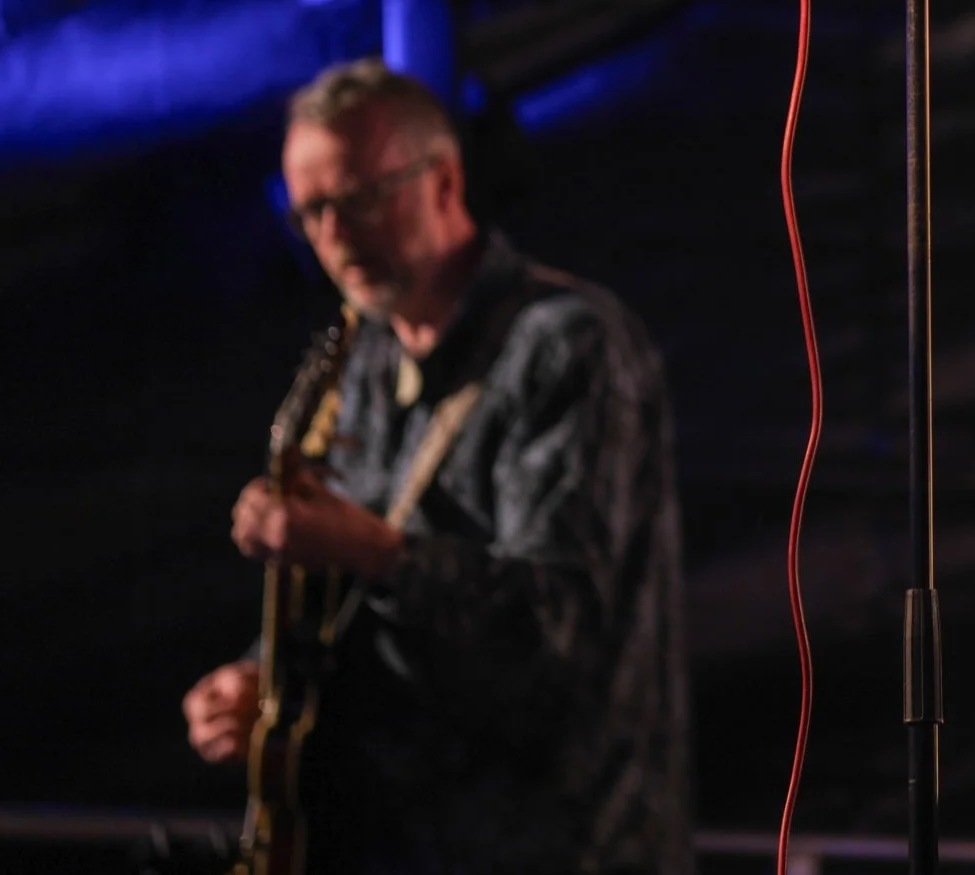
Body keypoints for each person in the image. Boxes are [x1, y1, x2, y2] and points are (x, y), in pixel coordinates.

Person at [180, 59, 691, 875]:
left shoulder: (566, 344)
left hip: (560, 847)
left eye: (359, 198)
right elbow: (348, 607)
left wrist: (373, 549)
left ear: (444, 179)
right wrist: (260, 681)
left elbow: (563, 621)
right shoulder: (365, 357)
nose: (334, 234)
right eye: (310, 211)